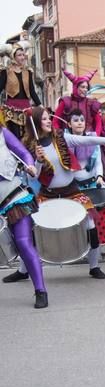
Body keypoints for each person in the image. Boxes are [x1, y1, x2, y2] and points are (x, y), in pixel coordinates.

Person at [20, 107, 105, 280]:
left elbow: (85, 141)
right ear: (35, 122)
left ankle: (94, 267)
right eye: (45, 119)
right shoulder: (30, 147)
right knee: (31, 231)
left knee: (91, 225)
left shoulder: (61, 137)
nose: (49, 121)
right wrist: (38, 161)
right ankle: (23, 270)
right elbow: (31, 174)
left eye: (49, 118)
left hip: (71, 191)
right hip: (47, 194)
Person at [0, 121, 45, 307]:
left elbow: (24, 152)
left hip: (13, 195)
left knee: (23, 242)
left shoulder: (3, 132)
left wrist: (30, 164)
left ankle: (40, 290)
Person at [0, 41, 42, 139]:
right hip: (12, 110)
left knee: (29, 136)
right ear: (13, 57)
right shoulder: (6, 72)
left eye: (23, 55)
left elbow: (32, 91)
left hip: (26, 108)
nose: (23, 57)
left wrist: (40, 105)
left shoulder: (28, 72)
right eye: (19, 55)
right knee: (16, 137)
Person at [53, 70, 103, 135]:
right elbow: (55, 121)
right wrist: (60, 136)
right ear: (76, 87)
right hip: (69, 139)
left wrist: (96, 136)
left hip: (88, 139)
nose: (85, 90)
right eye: (82, 87)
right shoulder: (66, 102)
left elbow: (98, 122)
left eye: (87, 87)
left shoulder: (91, 103)